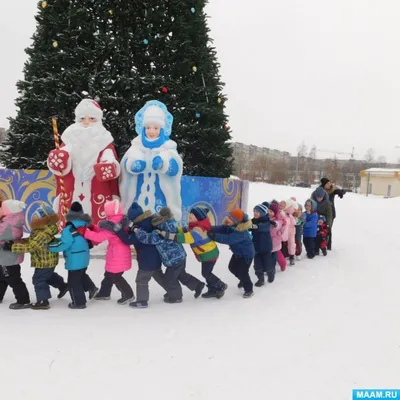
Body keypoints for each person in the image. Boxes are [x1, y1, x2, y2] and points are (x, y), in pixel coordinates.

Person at [47, 98, 120, 227]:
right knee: (69, 212)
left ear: (98, 120)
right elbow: (61, 160)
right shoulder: (69, 138)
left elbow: (109, 158)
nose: (86, 122)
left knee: (98, 214)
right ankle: (69, 236)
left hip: (97, 186)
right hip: (72, 185)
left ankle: (98, 240)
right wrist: (59, 159)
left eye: (91, 118)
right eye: (82, 118)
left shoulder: (104, 139)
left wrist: (108, 166)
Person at [119, 100, 183, 220]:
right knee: (136, 216)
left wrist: (164, 163)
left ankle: (161, 231)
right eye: (148, 127)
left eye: (155, 128)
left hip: (160, 195)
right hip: (138, 193)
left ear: (162, 129)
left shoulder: (168, 147)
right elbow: (127, 163)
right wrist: (133, 165)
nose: (151, 131)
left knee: (160, 217)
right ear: (143, 128)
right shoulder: (136, 145)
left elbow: (175, 168)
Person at [101, 202, 165, 309]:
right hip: (155, 257)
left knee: (141, 280)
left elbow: (128, 240)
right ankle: (175, 294)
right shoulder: (146, 222)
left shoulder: (141, 228)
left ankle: (142, 301)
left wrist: (119, 231)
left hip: (147, 260)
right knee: (160, 277)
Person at [135, 207, 205, 303]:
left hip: (174, 260)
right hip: (180, 257)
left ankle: (176, 297)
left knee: (169, 280)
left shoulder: (160, 232)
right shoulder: (170, 225)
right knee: (181, 275)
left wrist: (137, 231)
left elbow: (147, 238)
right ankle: (197, 285)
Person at [156, 206, 227, 299]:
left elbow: (186, 238)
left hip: (210, 254)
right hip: (206, 254)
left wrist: (168, 235)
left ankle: (220, 285)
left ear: (199, 218)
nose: (190, 215)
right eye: (190, 214)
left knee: (206, 273)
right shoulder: (194, 226)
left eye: (193, 215)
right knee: (206, 272)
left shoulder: (199, 230)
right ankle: (213, 289)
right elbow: (184, 230)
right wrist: (174, 230)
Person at [5, 205, 68, 310]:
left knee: (38, 279)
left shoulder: (44, 233)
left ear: (43, 219)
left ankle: (43, 301)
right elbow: (32, 240)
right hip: (46, 260)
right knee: (47, 275)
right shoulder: (41, 229)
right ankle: (63, 286)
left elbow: (32, 246)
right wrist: (18, 241)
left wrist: (13, 247)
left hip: (45, 261)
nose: (33, 220)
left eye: (35, 218)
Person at [78, 199, 134, 305]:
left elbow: (100, 237)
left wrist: (85, 232)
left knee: (116, 276)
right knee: (109, 274)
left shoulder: (113, 224)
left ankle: (128, 294)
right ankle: (105, 293)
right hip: (119, 251)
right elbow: (103, 231)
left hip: (117, 253)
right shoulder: (119, 219)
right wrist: (93, 227)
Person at [48, 202, 98, 309]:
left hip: (75, 259)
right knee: (81, 275)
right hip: (84, 257)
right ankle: (91, 288)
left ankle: (78, 302)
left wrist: (50, 246)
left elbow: (64, 244)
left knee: (73, 283)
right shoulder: (85, 225)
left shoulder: (69, 229)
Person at [208, 209, 255, 299]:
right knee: (232, 268)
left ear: (237, 222)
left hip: (246, 255)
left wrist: (214, 236)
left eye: (231, 218)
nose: (228, 219)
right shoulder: (231, 226)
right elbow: (220, 229)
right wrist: (209, 228)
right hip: (238, 253)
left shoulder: (242, 232)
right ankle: (243, 279)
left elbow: (229, 239)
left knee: (243, 272)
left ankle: (249, 289)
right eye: (229, 217)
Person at [0, 200, 31, 309]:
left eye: (2, 208)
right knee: (2, 276)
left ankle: (23, 300)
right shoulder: (12, 220)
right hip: (6, 256)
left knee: (13, 279)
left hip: (8, 257)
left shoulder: (9, 222)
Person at [251, 203, 274, 287]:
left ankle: (271, 272)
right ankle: (260, 279)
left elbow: (262, 227)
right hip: (256, 247)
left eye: (257, 211)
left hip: (266, 248)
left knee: (267, 265)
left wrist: (254, 226)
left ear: (263, 213)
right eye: (254, 211)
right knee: (257, 266)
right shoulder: (252, 220)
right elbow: (248, 225)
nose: (255, 213)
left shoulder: (267, 221)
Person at [320, 178, 345, 250]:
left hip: (331, 213)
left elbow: (340, 191)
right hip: (321, 212)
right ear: (324, 185)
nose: (329, 184)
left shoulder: (333, 190)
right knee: (320, 229)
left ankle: (328, 246)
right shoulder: (320, 190)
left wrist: (340, 192)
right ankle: (320, 244)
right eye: (327, 183)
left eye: (329, 183)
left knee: (328, 228)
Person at [268, 201, 283, 280]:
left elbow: (278, 225)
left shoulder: (278, 219)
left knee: (273, 257)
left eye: (271, 211)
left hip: (275, 243)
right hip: (268, 242)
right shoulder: (267, 218)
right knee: (268, 257)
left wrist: (274, 224)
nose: (269, 213)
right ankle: (268, 268)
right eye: (268, 211)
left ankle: (272, 269)